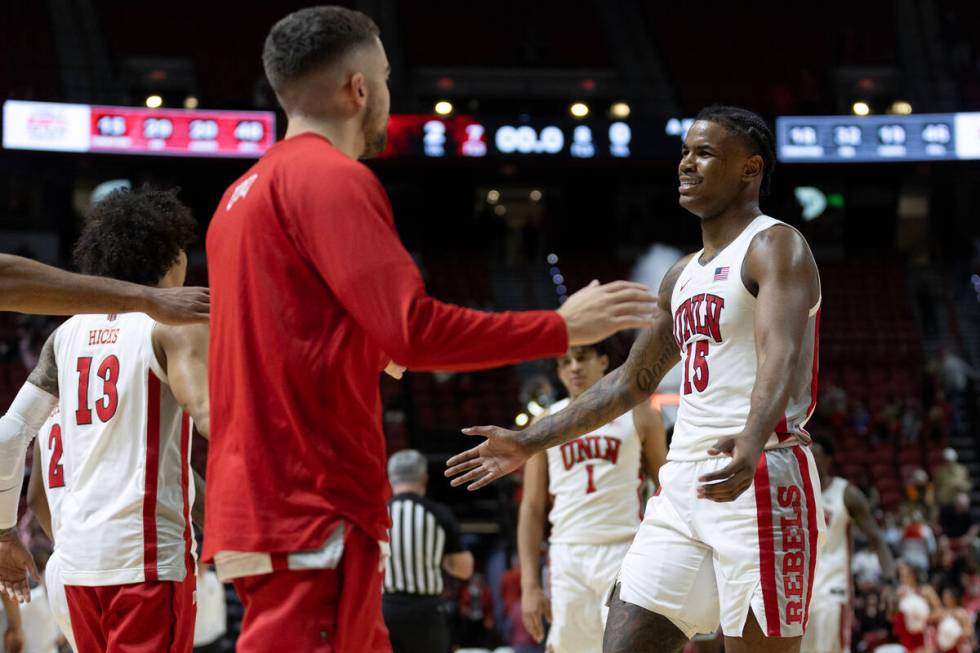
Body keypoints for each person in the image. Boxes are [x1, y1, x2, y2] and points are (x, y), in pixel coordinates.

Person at [202, 7, 656, 652]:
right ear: (359, 88)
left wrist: (370, 352)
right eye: (385, 79)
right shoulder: (331, 179)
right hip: (312, 497)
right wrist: (558, 326)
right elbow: (413, 329)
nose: (388, 95)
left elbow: (294, 341)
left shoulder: (238, 196)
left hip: (264, 491)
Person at [448, 105, 824, 653]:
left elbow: (781, 351)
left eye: (705, 153)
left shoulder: (775, 245)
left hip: (760, 471)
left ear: (751, 168)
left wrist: (750, 434)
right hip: (683, 485)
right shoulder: (683, 274)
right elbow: (630, 381)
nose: (686, 165)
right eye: (684, 153)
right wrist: (530, 441)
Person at [0, 187, 210, 652]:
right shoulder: (172, 324)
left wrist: (1, 533)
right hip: (146, 560)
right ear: (173, 256)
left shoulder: (65, 335)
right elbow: (212, 416)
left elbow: (9, 436)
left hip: (74, 564)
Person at [518, 339, 666, 651]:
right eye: (564, 362)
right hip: (567, 554)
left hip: (624, 551)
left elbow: (667, 489)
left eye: (582, 358)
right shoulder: (544, 423)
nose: (573, 368)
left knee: (626, 646)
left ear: (602, 361)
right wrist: (529, 584)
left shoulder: (639, 415)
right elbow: (531, 508)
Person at [801, 436, 896, 653]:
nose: (811, 460)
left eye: (816, 455)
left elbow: (877, 540)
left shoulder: (846, 494)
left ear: (829, 459)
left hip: (833, 592)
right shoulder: (797, 493)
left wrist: (890, 583)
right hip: (800, 594)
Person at [382, 450, 472, 653]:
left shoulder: (379, 515)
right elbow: (465, 570)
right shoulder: (438, 514)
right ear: (424, 478)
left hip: (384, 611)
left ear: (390, 478)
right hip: (426, 613)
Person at [0, 253, 209, 325]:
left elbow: (20, 420)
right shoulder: (179, 327)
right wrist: (147, 298)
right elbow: (204, 412)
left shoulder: (68, 329)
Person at [25, 407, 75, 650]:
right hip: (104, 555)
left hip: (62, 562)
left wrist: (61, 540)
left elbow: (34, 497)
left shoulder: (44, 414)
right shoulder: (94, 402)